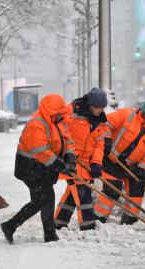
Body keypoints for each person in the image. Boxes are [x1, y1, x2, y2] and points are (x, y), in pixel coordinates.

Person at [0, 94, 76, 244]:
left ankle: (46, 233)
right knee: (43, 198)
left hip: (42, 168)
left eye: (62, 113)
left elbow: (68, 141)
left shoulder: (58, 121)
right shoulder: (37, 124)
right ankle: (12, 226)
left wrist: (70, 158)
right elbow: (41, 152)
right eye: (58, 114)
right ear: (51, 112)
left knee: (43, 199)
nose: (61, 117)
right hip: (29, 167)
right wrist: (62, 166)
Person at [94, 100, 145, 225]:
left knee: (137, 190)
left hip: (129, 167)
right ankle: (98, 219)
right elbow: (105, 123)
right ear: (143, 112)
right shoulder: (126, 115)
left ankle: (129, 220)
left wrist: (144, 173)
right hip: (110, 160)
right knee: (112, 191)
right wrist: (107, 141)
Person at [54, 88, 108, 231]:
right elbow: (58, 129)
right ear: (91, 105)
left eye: (103, 108)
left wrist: (96, 163)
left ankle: (59, 222)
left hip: (86, 164)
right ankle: (88, 226)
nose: (101, 111)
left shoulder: (100, 120)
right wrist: (66, 154)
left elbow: (99, 143)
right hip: (71, 161)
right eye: (99, 108)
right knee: (83, 193)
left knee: (73, 194)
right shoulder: (72, 112)